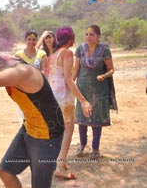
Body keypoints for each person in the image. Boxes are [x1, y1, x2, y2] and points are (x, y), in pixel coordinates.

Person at [0, 53, 64, 188]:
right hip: (29, 128)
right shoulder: (3, 64)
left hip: (47, 135)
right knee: (5, 172)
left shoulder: (22, 73)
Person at [48, 26, 92, 180]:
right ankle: (59, 167)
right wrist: (83, 100)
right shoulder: (67, 53)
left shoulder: (54, 54)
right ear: (71, 38)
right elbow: (68, 78)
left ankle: (61, 160)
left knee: (60, 129)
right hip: (64, 97)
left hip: (54, 94)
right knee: (68, 129)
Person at [73, 24, 117, 159]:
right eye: (86, 34)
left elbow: (111, 69)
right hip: (83, 89)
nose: (88, 37)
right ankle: (82, 145)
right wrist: (70, 84)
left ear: (98, 36)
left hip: (99, 89)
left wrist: (104, 75)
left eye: (91, 34)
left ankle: (95, 148)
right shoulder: (80, 49)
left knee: (96, 121)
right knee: (82, 120)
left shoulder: (104, 50)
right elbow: (76, 70)